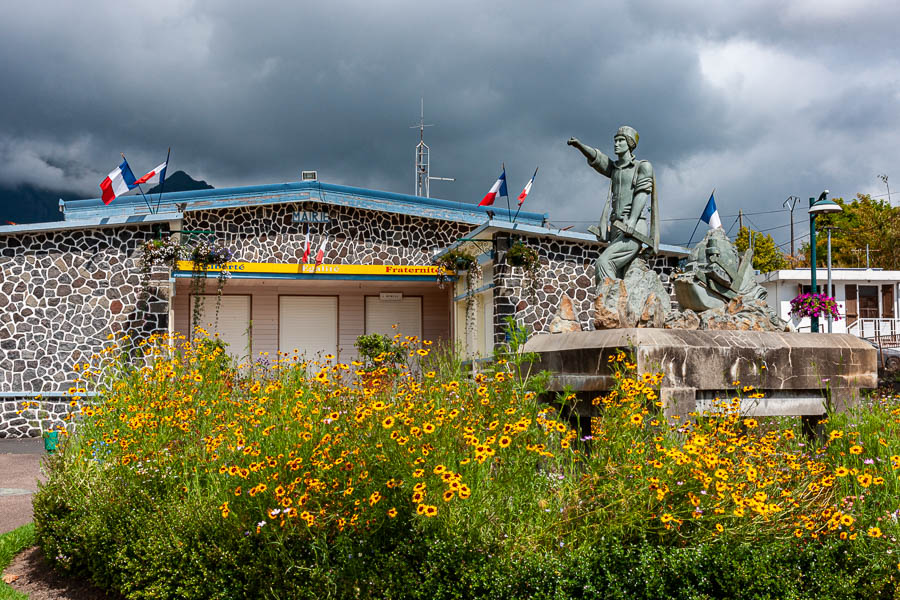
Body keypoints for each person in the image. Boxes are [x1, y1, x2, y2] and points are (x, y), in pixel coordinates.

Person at [567, 126, 658, 282]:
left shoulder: (642, 166)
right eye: (615, 141)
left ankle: (609, 301)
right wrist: (580, 146)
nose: (616, 144)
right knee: (620, 275)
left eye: (620, 140)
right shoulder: (615, 169)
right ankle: (618, 301)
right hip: (617, 228)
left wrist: (632, 220)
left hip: (633, 228)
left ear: (630, 143)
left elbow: (641, 194)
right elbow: (599, 159)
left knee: (604, 262)